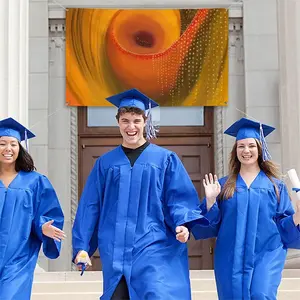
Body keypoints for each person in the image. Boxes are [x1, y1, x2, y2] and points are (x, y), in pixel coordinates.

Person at [72, 88, 208, 300]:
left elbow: (179, 197)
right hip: (116, 250)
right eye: (125, 120)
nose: (131, 126)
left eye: (136, 120)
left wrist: (183, 223)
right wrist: (82, 247)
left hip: (154, 246)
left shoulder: (165, 160)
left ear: (146, 121)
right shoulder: (106, 164)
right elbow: (91, 206)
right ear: (118, 122)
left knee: (156, 293)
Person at [193, 117, 300, 300]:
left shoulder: (275, 186)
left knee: (261, 294)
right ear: (235, 151)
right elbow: (209, 226)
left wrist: (298, 215)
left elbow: (285, 226)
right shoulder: (224, 185)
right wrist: (210, 201)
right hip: (230, 255)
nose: (246, 150)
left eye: (251, 145)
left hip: (267, 252)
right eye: (241, 146)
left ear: (260, 149)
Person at [0, 117, 65, 300]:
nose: (8, 149)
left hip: (18, 258)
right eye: (2, 143)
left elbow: (47, 212)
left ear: (20, 148)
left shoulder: (35, 181)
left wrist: (42, 227)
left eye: (13, 144)